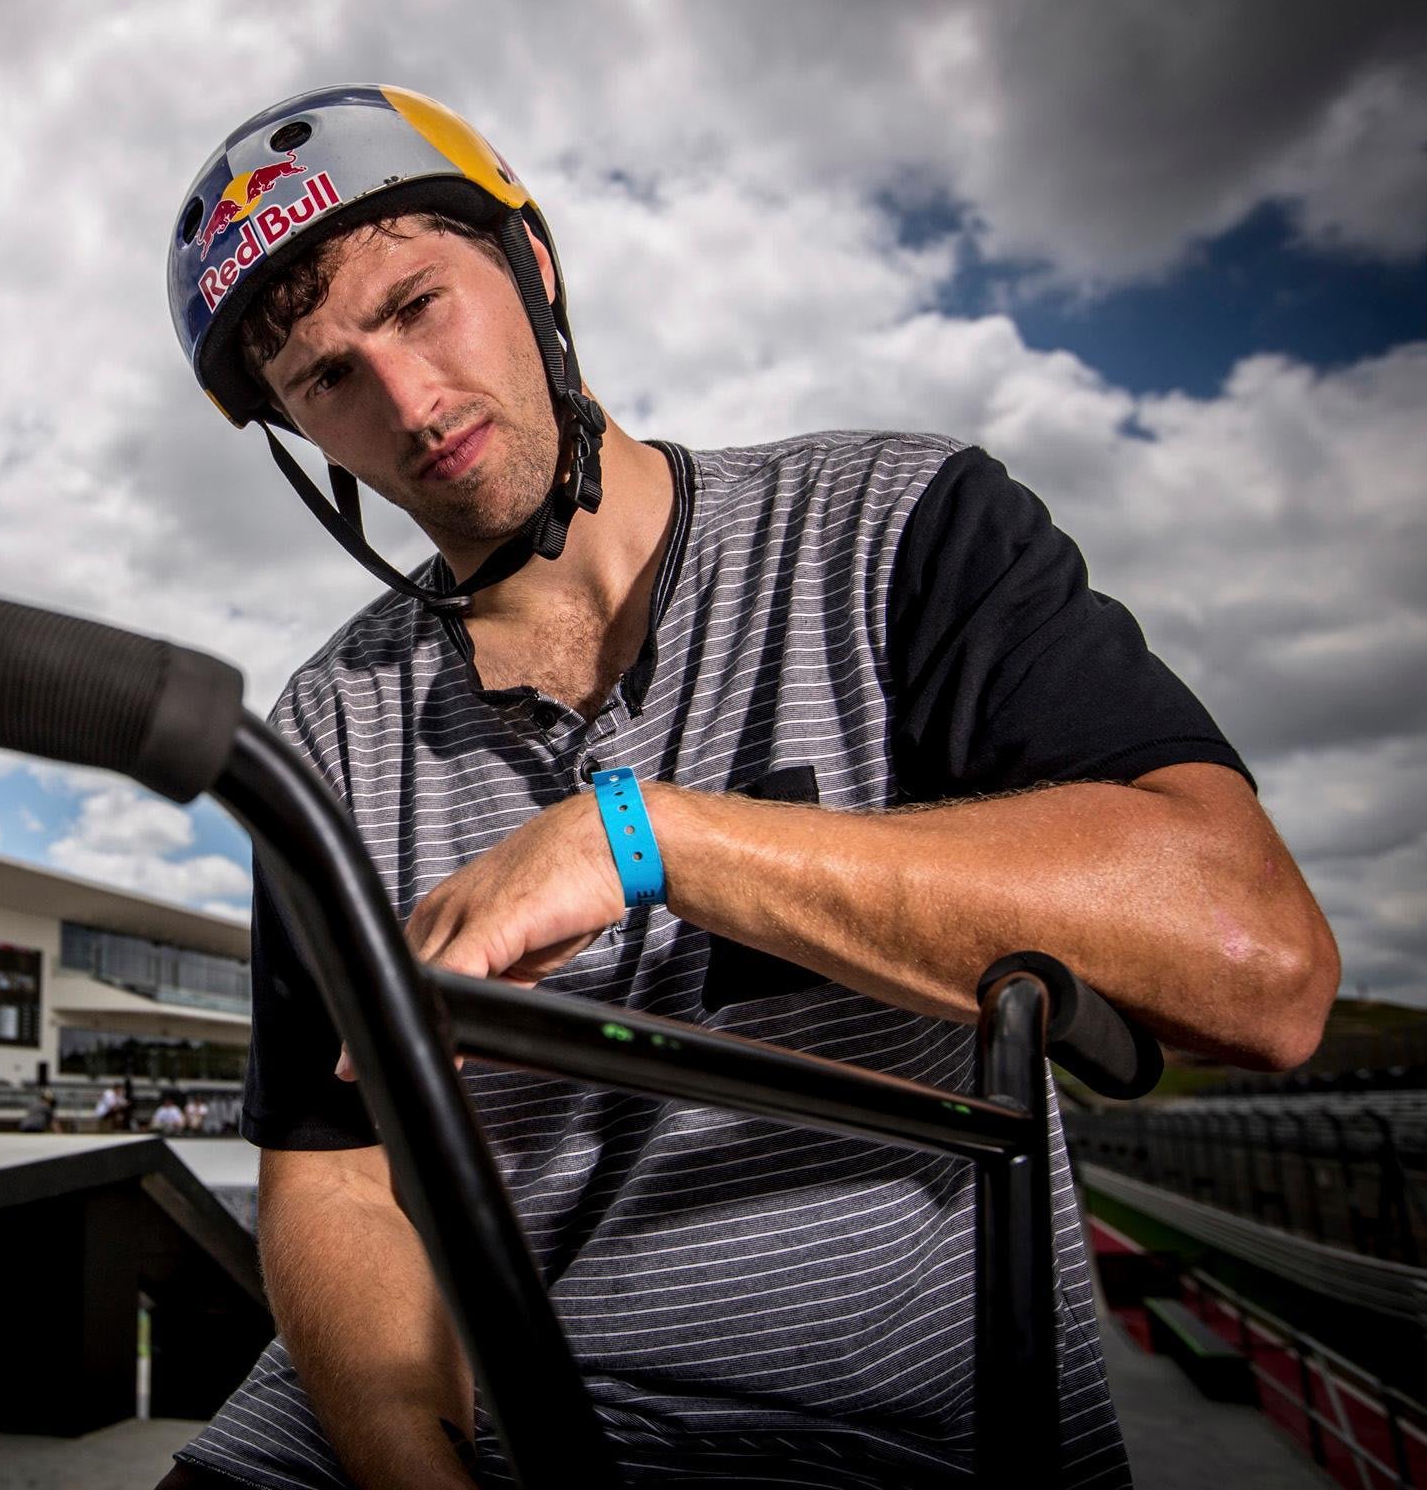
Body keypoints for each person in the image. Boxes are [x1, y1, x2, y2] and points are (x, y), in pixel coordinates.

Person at [152, 85, 1339, 1489]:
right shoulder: (327, 730)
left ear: (532, 264)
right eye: (327, 380)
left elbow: (1259, 967)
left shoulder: (898, 527)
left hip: (847, 1442)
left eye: (417, 304)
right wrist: (419, 1471)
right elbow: (336, 1167)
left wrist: (650, 838)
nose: (407, 403)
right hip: (420, 1439)